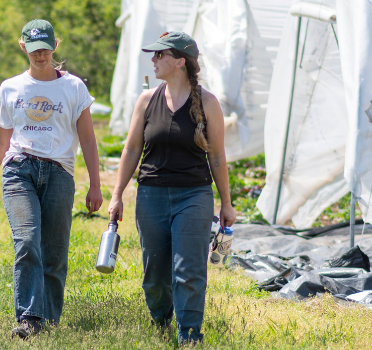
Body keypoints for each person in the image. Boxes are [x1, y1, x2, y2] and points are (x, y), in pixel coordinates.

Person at [0, 19, 103, 339]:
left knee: (55, 252)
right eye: (34, 50)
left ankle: (51, 320)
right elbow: (1, 142)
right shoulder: (11, 88)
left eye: (45, 49)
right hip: (19, 169)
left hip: (60, 172)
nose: (40, 55)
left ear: (55, 46)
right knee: (28, 241)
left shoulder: (73, 88)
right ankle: (30, 319)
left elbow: (87, 139)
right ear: (23, 48)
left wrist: (96, 185)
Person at [107, 31, 236, 344]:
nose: (154, 60)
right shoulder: (147, 100)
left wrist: (226, 204)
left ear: (180, 61)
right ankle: (160, 319)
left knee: (189, 269)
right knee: (155, 274)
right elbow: (132, 149)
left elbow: (217, 155)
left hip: (194, 195)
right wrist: (117, 194)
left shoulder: (208, 103)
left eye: (160, 55)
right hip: (151, 195)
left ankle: (189, 333)